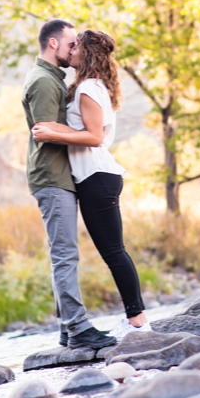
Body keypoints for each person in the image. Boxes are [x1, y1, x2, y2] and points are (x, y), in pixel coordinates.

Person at [32, 29, 150, 333]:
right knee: (113, 251)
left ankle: (137, 322)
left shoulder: (87, 89)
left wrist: (51, 133)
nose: (70, 52)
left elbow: (94, 137)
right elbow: (86, 132)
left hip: (97, 177)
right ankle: (135, 319)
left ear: (86, 54)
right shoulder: (90, 86)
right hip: (95, 177)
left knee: (113, 252)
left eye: (75, 47)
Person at [21, 19, 117, 351]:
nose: (75, 48)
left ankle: (67, 329)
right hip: (53, 176)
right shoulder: (46, 83)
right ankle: (77, 328)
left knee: (64, 253)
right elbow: (44, 130)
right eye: (71, 43)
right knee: (65, 254)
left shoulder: (53, 79)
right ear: (53, 44)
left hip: (60, 175)